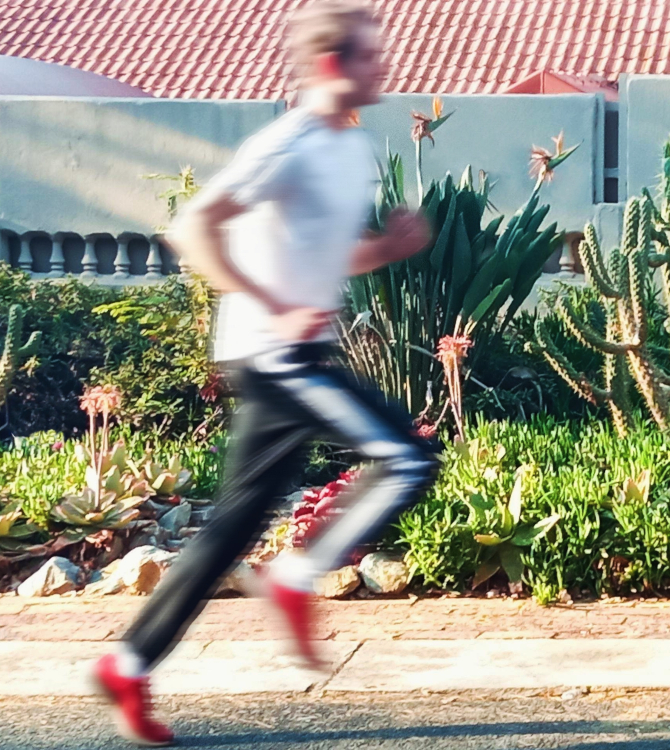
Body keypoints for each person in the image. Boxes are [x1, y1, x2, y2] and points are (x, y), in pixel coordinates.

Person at [92, 1, 439, 745]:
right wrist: (275, 303)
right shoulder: (289, 144)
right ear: (329, 65)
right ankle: (295, 575)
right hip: (274, 354)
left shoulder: (352, 151)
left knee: (235, 524)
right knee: (408, 458)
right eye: (370, 57)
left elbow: (329, 255)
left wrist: (389, 248)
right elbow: (192, 229)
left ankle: (128, 662)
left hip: (296, 352)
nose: (384, 68)